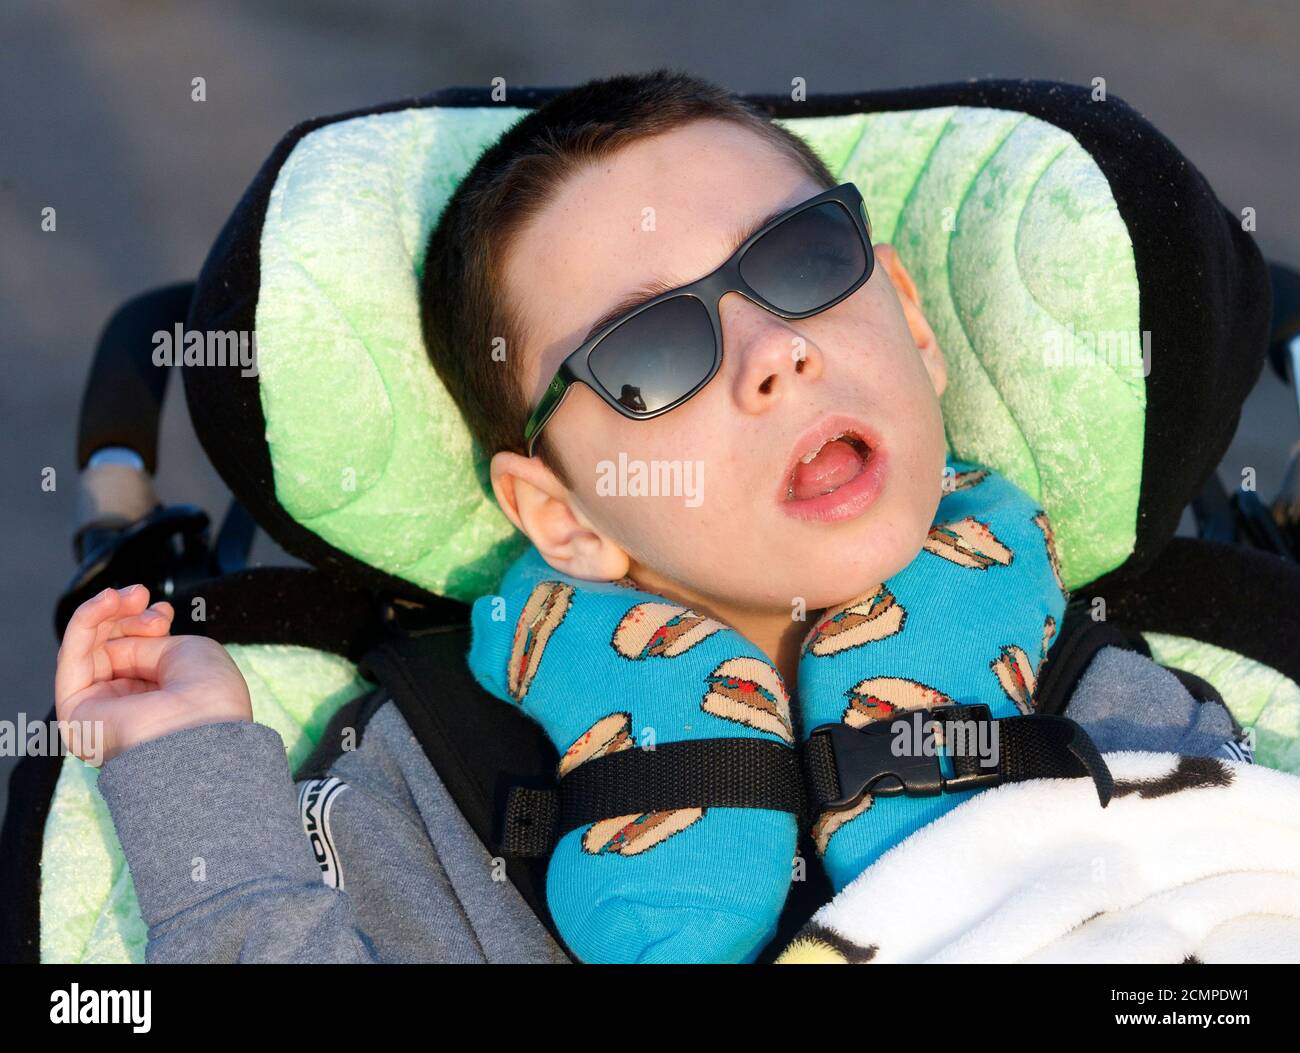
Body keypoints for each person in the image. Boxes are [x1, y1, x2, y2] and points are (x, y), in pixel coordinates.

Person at [53, 69, 1248, 964]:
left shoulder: (1116, 721)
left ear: (914, 330)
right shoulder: (444, 793)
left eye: (799, 259)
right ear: (561, 514)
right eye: (653, 347)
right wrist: (186, 771)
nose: (775, 352)